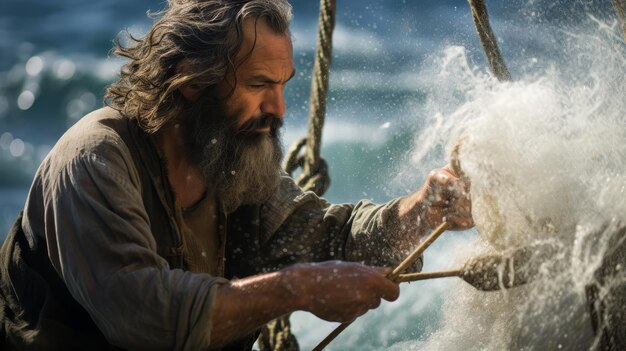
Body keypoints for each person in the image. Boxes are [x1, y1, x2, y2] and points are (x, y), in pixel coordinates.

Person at [0, 0, 473, 350]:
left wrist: (425, 210)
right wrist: (300, 288)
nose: (278, 109)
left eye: (282, 85)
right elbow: (145, 318)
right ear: (191, 83)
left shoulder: (233, 163)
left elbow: (332, 239)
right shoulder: (96, 160)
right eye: (258, 85)